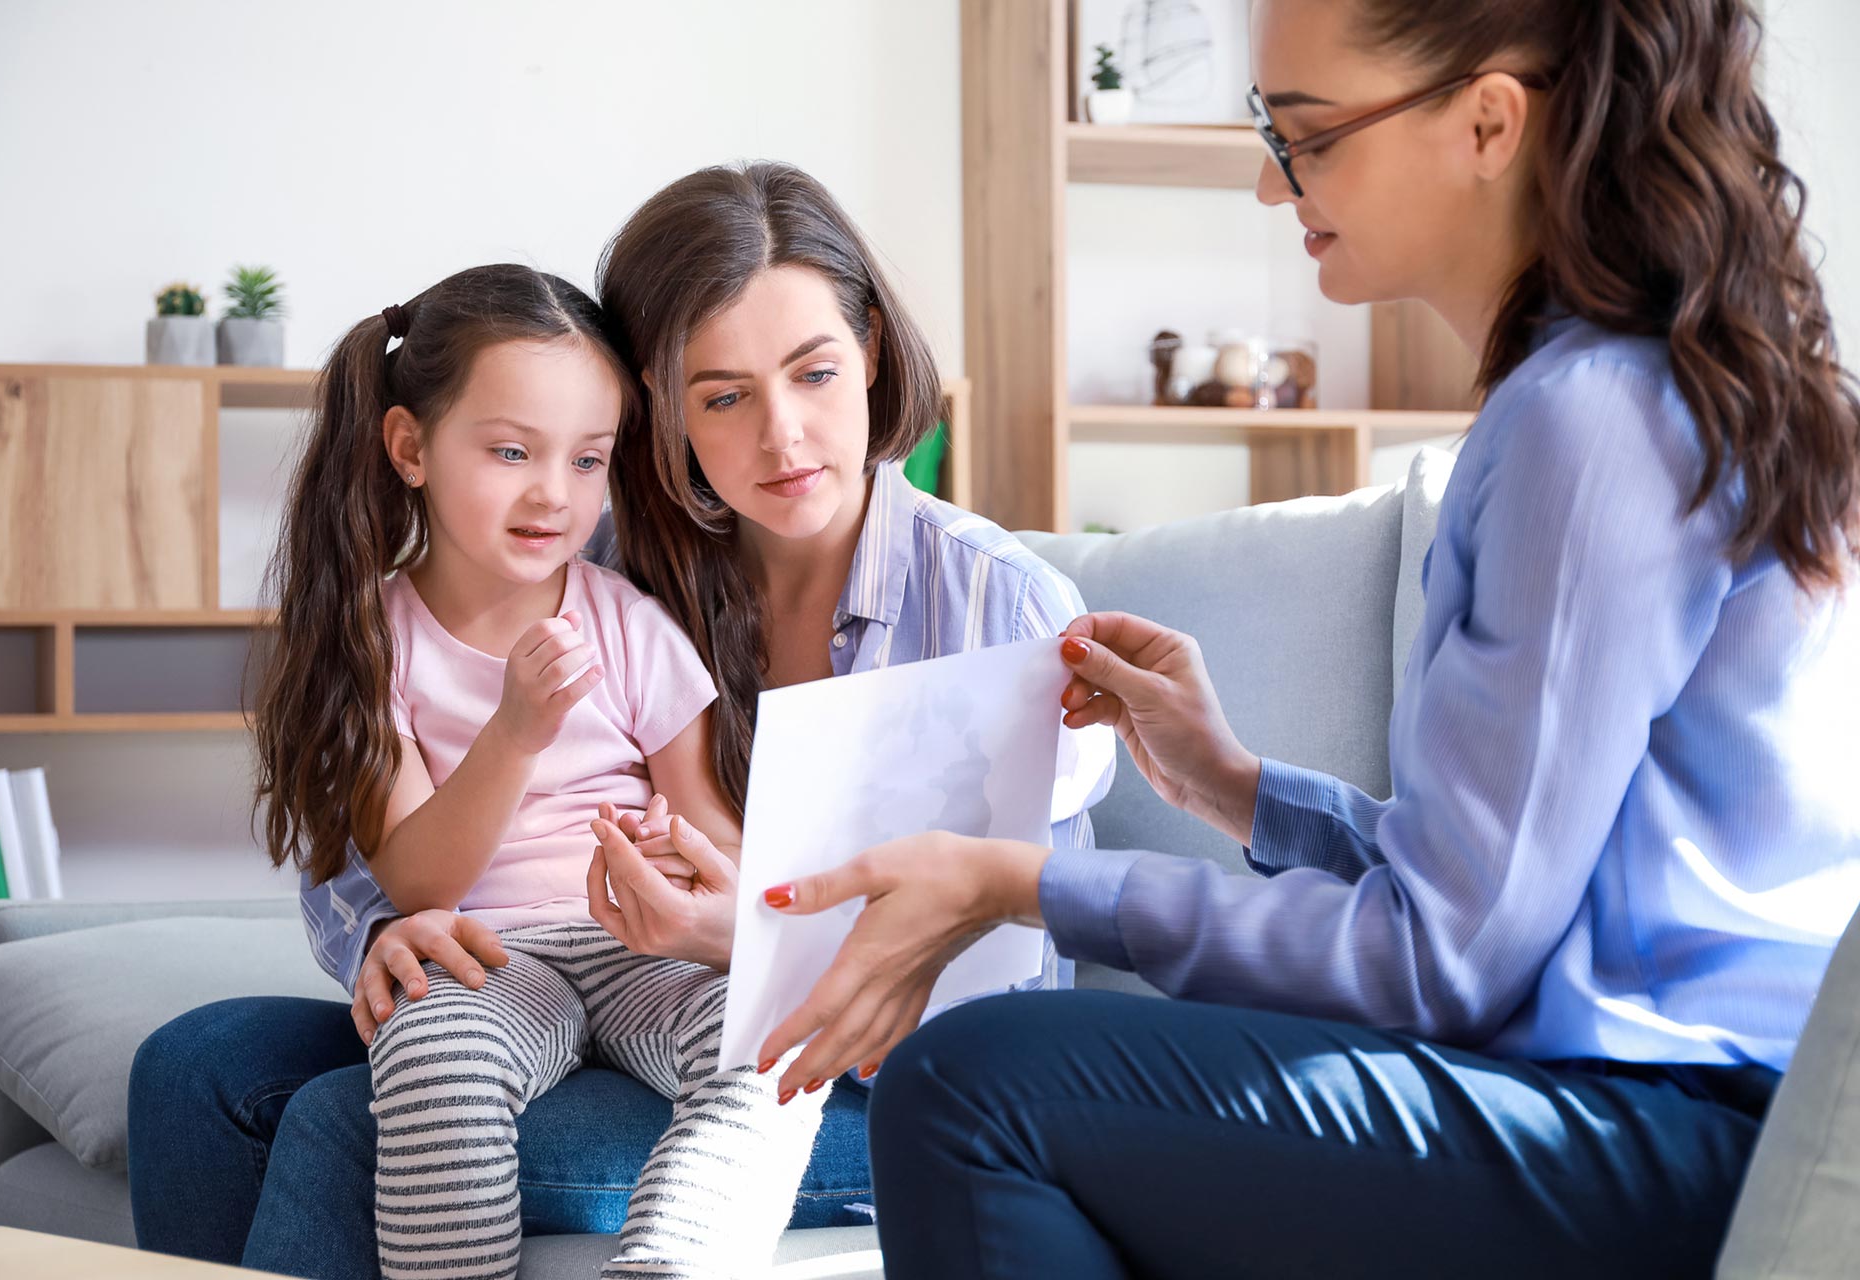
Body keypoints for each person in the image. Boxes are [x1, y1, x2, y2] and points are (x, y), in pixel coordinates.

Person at [751, 1, 1860, 1275]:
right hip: (1647, 1111)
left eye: (1308, 136)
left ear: (1489, 122)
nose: (1273, 185)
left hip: (1666, 1134)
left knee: (970, 1085)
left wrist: (1019, 881)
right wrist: (1236, 787)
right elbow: (1487, 902)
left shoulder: (1591, 420)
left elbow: (1437, 964)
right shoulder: (1609, 392)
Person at [126, 163, 1115, 1278]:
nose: (784, 436)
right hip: (542, 970)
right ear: (661, 402)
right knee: (195, 1066)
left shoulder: (999, 606)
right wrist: (390, 931)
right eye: (724, 394)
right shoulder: (599, 557)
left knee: (339, 1122)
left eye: (817, 371)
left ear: (875, 351)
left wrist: (731, 933)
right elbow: (383, 830)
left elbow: (1008, 978)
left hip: (867, 1063)